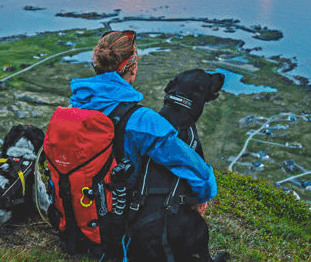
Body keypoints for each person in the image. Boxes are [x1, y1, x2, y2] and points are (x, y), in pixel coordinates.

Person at [69, 30, 217, 216]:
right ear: (133, 68)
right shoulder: (142, 121)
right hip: (116, 214)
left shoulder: (74, 106)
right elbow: (194, 169)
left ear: (96, 65)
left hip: (75, 203)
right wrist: (204, 194)